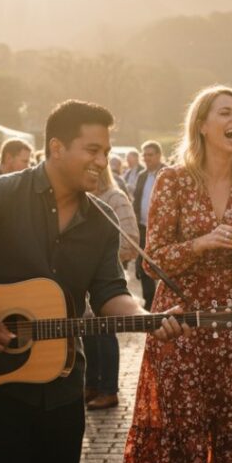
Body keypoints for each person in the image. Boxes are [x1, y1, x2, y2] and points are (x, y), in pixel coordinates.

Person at [0, 100, 188, 463]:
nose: (102, 160)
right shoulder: (1, 194)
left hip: (63, 388)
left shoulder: (102, 221)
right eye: (92, 150)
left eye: (106, 152)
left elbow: (110, 293)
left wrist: (147, 317)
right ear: (57, 147)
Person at [122, 85, 232, 463]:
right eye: (225, 113)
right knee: (183, 441)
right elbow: (151, 260)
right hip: (180, 327)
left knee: (230, 442)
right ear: (201, 124)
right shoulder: (173, 181)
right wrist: (203, 243)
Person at [84, 163, 140, 411]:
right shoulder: (77, 197)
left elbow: (131, 241)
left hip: (106, 280)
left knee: (105, 332)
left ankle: (109, 389)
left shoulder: (115, 198)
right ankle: (91, 384)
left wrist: (99, 257)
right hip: (81, 280)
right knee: (87, 333)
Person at [133, 140, 165, 310]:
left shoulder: (167, 173)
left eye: (150, 155)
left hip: (164, 229)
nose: (146, 158)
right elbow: (137, 200)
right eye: (144, 155)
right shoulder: (142, 176)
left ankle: (166, 299)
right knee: (144, 264)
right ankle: (150, 300)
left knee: (164, 264)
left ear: (159, 155)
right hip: (144, 227)